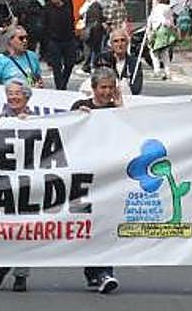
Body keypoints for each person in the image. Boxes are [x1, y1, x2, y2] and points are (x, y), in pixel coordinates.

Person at [70, 67, 121, 293]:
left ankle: (104, 273)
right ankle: (93, 272)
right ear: (93, 89)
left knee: (105, 225)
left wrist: (120, 110)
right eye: (103, 87)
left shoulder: (117, 110)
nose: (107, 92)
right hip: (82, 178)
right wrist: (76, 118)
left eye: (111, 87)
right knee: (86, 226)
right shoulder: (80, 108)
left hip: (108, 178)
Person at [0, 80, 33, 292]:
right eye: (10, 93)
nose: (14, 97)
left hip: (27, 183)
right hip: (3, 184)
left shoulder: (38, 120)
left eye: (18, 94)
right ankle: (2, 264)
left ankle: (21, 275)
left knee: (26, 229)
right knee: (4, 229)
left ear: (26, 97)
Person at [41, 0, 77, 89]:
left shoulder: (67, 6)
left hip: (69, 39)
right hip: (54, 41)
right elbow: (43, 25)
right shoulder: (47, 8)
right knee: (56, 66)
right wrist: (47, 41)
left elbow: (71, 19)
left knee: (70, 63)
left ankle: (64, 82)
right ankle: (60, 87)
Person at [145, 0, 176, 80]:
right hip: (166, 32)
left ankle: (157, 71)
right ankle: (167, 72)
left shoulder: (155, 9)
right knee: (164, 53)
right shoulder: (168, 8)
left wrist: (148, 33)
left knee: (154, 52)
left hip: (157, 32)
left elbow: (150, 21)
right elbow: (171, 21)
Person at [105, 27, 143, 96]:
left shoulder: (135, 63)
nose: (119, 44)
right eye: (116, 41)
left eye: (122, 40)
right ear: (111, 44)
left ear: (127, 43)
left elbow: (136, 89)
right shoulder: (104, 60)